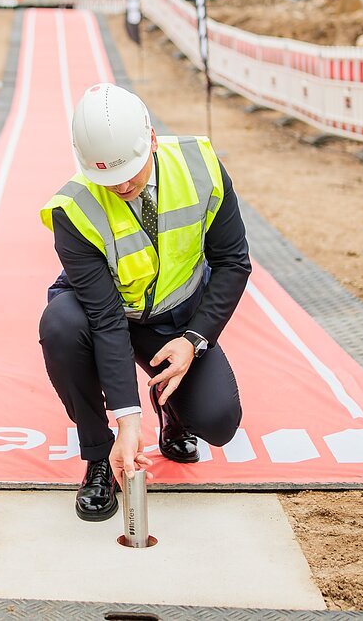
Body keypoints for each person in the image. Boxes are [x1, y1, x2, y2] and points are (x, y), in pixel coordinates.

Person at [38, 83, 249, 521]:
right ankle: (98, 458)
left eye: (129, 172)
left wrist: (194, 339)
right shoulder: (72, 208)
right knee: (60, 324)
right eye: (106, 177)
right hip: (105, 319)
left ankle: (174, 413)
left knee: (219, 420)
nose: (119, 185)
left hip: (178, 317)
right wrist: (126, 422)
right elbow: (105, 318)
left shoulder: (202, 168)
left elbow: (232, 262)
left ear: (151, 140)